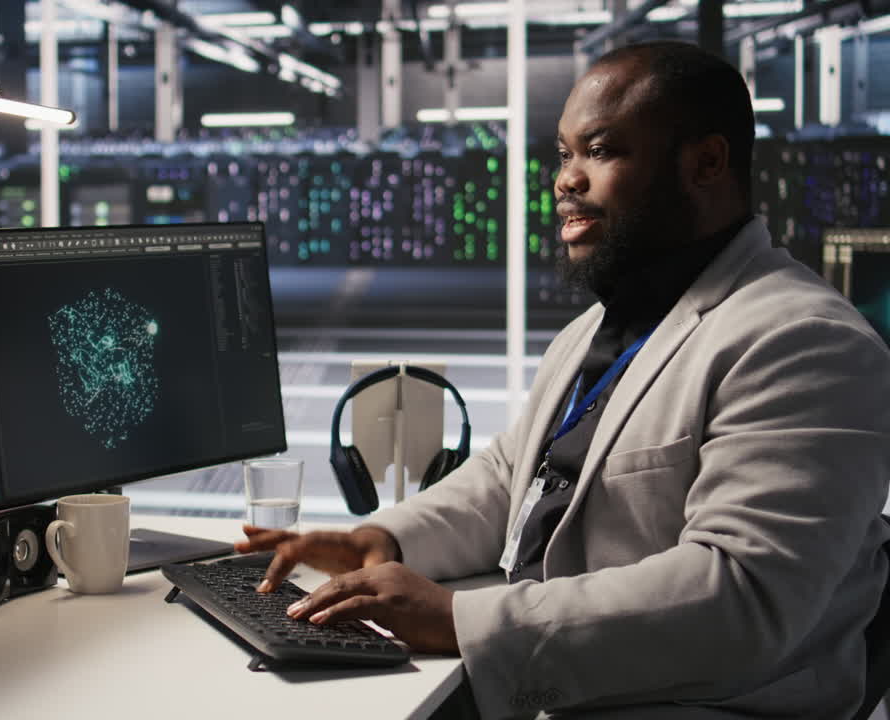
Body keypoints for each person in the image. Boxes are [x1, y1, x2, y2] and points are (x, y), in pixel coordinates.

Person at [237, 40, 890, 719]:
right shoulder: (605, 324)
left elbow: (740, 595)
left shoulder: (805, 340)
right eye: (564, 154)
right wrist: (384, 540)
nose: (565, 180)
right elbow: (510, 475)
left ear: (707, 162)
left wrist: (461, 619)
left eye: (601, 151)